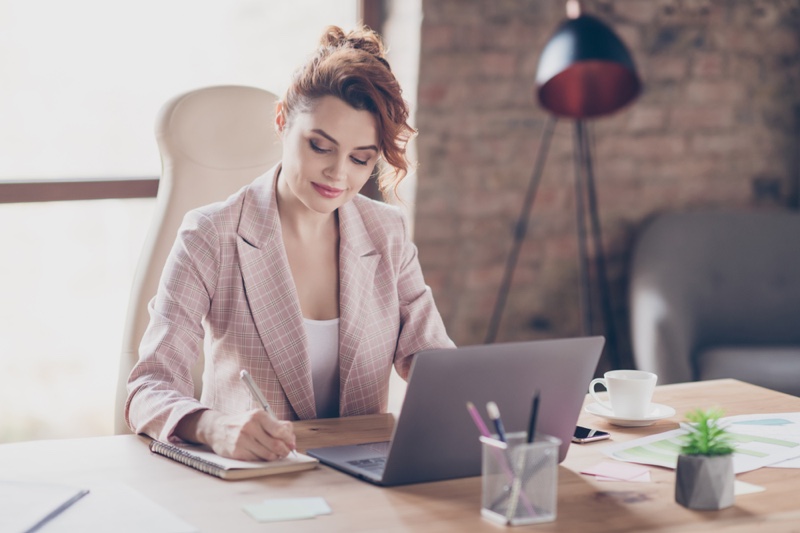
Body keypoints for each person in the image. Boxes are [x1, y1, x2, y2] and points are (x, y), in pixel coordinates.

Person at [125, 25, 454, 462]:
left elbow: (429, 357)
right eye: (320, 146)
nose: (339, 174)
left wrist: (486, 395)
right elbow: (148, 387)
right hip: (253, 481)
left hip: (365, 481)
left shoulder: (387, 232)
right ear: (282, 121)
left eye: (361, 158)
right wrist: (212, 426)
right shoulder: (211, 235)